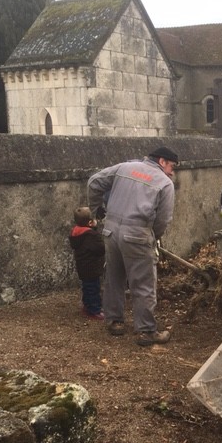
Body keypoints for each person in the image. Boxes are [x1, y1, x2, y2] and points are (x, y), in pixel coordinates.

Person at [87, 146, 179, 346]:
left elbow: (94, 182)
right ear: (162, 161)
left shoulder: (125, 167)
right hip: (137, 234)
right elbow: (163, 220)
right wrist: (152, 236)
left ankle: (114, 321)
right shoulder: (164, 183)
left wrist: (98, 211)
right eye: (172, 166)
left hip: (110, 231)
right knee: (143, 284)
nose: (172, 172)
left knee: (114, 277)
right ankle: (146, 331)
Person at [68, 206, 105, 320]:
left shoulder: (76, 234)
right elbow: (100, 249)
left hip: (82, 266)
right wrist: (95, 229)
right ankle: (94, 310)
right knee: (94, 289)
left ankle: (86, 305)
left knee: (87, 287)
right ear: (90, 223)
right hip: (92, 267)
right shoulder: (91, 235)